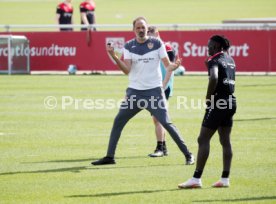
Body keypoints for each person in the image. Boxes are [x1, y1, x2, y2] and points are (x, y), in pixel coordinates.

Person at [91, 17, 194, 166]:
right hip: (134, 93)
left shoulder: (157, 43)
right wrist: (113, 56)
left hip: (154, 93)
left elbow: (167, 65)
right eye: (138, 27)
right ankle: (110, 156)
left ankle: (188, 154)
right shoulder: (128, 46)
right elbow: (126, 70)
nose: (141, 30)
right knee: (118, 121)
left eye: (143, 27)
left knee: (166, 123)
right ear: (133, 30)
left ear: (147, 29)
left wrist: (173, 67)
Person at [178, 35, 237, 189]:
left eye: (210, 46)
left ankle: (196, 179)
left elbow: (214, 78)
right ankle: (225, 179)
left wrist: (208, 98)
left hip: (218, 102)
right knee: (225, 141)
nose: (207, 48)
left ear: (217, 46)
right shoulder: (230, 60)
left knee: (202, 139)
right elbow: (224, 78)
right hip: (231, 102)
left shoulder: (214, 60)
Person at [146, 26, 175, 157]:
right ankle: (163, 147)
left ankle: (160, 148)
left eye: (149, 34)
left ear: (157, 33)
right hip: (154, 87)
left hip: (162, 87)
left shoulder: (166, 47)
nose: (147, 37)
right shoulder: (151, 48)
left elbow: (170, 68)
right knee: (157, 119)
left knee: (158, 118)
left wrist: (163, 86)